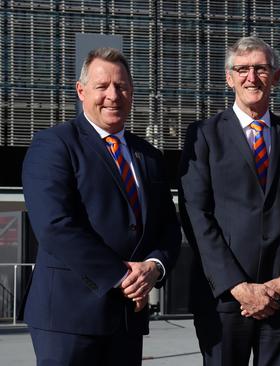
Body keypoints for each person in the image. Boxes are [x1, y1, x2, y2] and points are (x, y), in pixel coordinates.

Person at [21, 47, 181, 365]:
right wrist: (123, 278)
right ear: (81, 91)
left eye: (121, 86)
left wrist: (154, 267)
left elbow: (168, 227)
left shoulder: (149, 156)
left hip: (127, 319)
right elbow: (55, 226)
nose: (113, 95)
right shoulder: (54, 144)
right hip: (68, 320)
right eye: (102, 86)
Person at [179, 36, 280, 366]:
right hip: (225, 299)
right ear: (229, 78)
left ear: (276, 76)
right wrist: (238, 286)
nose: (251, 78)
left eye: (260, 68)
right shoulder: (203, 136)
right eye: (242, 69)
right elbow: (196, 215)